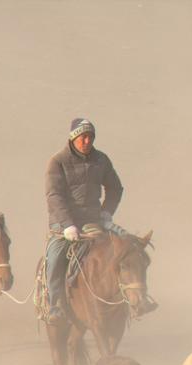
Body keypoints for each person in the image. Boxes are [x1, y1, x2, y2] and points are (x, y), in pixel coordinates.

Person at [44, 118, 124, 324]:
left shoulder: (101, 160)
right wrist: (67, 224)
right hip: (63, 226)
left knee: (125, 248)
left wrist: (106, 213)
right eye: (83, 137)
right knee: (54, 260)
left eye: (91, 137)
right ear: (73, 138)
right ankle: (56, 306)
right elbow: (54, 196)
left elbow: (116, 188)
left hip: (93, 221)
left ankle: (130, 299)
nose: (87, 141)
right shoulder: (58, 161)